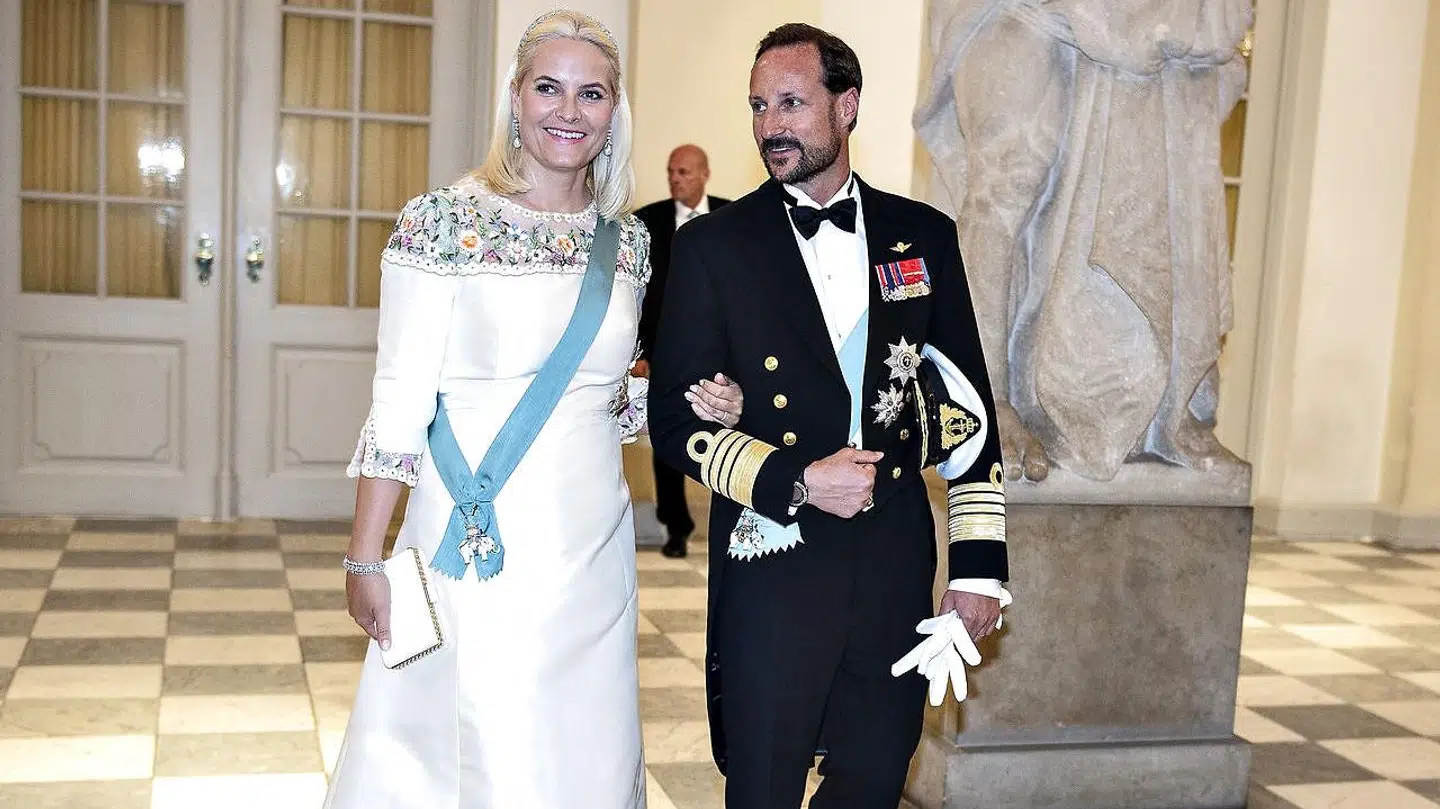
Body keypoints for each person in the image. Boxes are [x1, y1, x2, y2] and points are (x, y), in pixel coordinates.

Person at [326, 11, 743, 808]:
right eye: (547, 87)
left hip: (592, 549)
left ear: (615, 113)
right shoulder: (442, 221)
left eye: (592, 94)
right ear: (515, 99)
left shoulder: (626, 244)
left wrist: (699, 401)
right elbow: (399, 402)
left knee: (582, 753)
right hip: (468, 542)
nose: (568, 110)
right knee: (468, 746)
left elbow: (608, 397)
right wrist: (364, 555)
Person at [649, 23, 1012, 809]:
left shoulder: (925, 237)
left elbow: (969, 413)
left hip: (892, 558)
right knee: (764, 784)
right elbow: (674, 424)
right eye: (757, 106)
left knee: (876, 776)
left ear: (846, 106)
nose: (770, 124)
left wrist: (979, 565)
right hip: (774, 564)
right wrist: (797, 479)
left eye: (791, 102)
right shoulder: (715, 247)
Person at [633, 145, 731, 558]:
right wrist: (638, 353)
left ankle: (731, 525)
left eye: (685, 172)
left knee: (729, 443)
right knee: (668, 444)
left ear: (705, 174)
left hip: (722, 355)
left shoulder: (732, 219)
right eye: (671, 171)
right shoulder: (647, 221)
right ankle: (677, 527)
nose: (676, 179)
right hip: (664, 353)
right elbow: (633, 295)